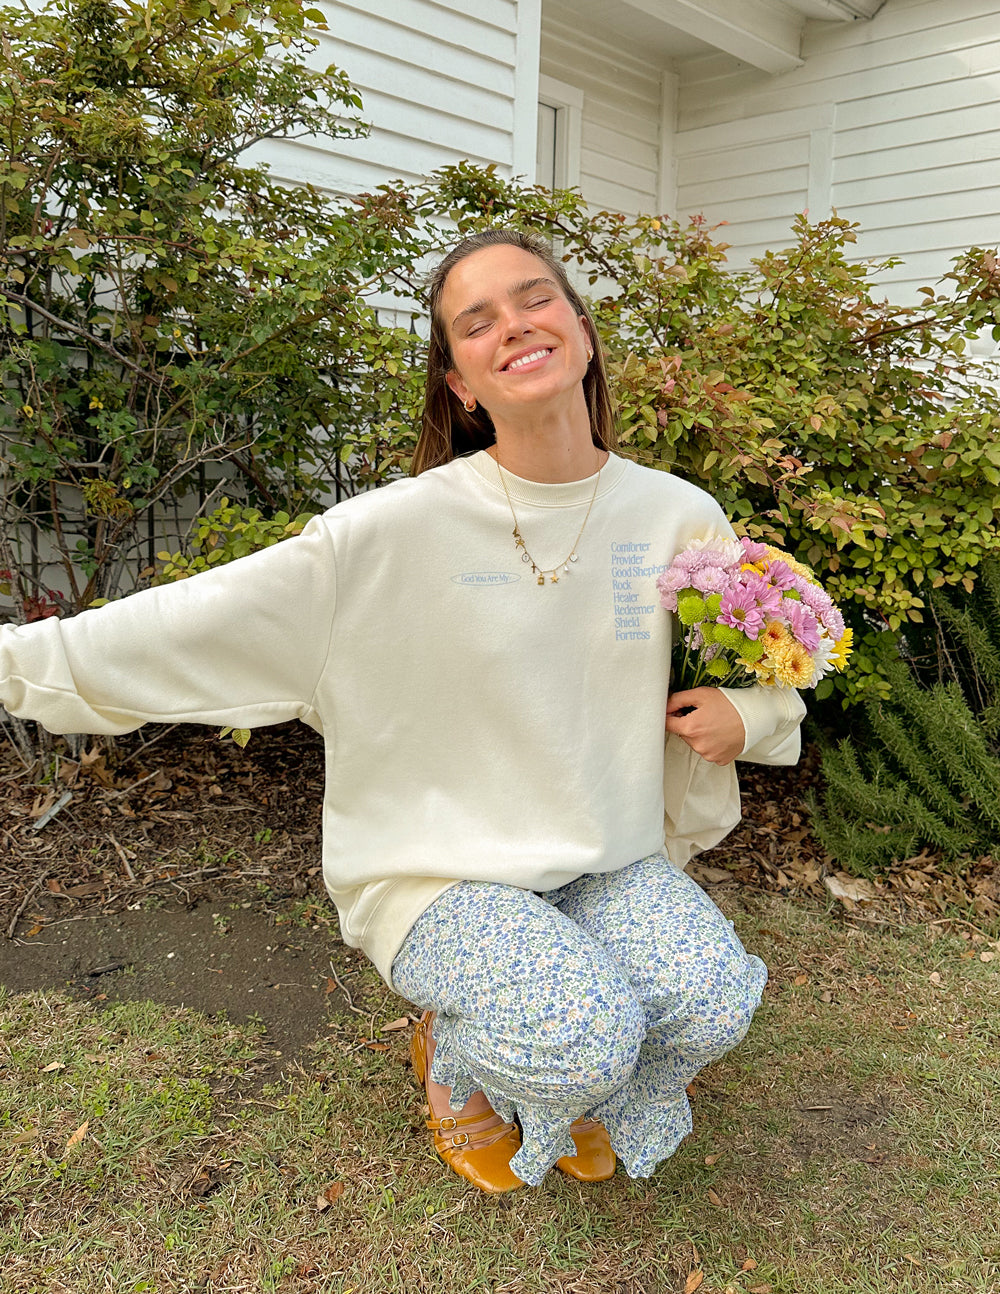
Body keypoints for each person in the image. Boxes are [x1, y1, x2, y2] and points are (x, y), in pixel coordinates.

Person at [0, 227, 805, 1194]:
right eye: (478, 322)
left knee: (709, 1002)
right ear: (460, 382)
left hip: (605, 852)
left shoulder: (680, 515)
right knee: (581, 1037)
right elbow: (184, 623)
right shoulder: (388, 533)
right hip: (438, 867)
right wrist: (15, 661)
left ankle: (581, 1063)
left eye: (535, 299)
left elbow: (771, 657)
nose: (516, 326)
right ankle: (460, 1054)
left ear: (583, 332)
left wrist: (751, 716)